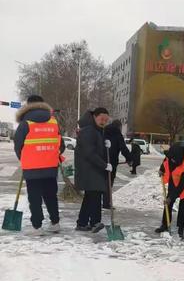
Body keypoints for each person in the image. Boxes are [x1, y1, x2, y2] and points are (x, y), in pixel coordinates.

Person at [14, 95, 65, 234]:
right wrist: (51, 156)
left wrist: (25, 158)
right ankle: (55, 223)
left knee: (34, 198)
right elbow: (62, 146)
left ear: (28, 105)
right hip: (51, 167)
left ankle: (37, 226)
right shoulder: (54, 122)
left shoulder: (25, 123)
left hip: (31, 168)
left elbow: (18, 145)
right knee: (50, 195)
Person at [74, 107, 111, 232]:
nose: (103, 122)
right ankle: (95, 222)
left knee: (90, 196)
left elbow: (95, 148)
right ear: (94, 117)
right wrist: (104, 165)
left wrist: (104, 143)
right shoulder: (89, 131)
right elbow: (89, 153)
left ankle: (82, 223)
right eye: (101, 119)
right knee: (95, 195)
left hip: (92, 169)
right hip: (89, 169)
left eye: (106, 120)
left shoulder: (96, 130)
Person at [155, 143, 184, 239]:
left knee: (183, 205)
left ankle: (181, 228)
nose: (172, 161)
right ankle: (165, 224)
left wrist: (171, 197)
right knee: (168, 203)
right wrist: (161, 169)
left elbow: (180, 187)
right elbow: (165, 161)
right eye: (172, 158)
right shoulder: (170, 156)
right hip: (174, 179)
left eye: (174, 160)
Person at [103, 120, 132, 208]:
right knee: (109, 182)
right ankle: (106, 203)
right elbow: (123, 148)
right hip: (111, 162)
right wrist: (129, 158)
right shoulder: (117, 135)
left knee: (101, 182)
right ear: (119, 127)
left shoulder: (103, 132)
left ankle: (98, 202)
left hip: (100, 161)